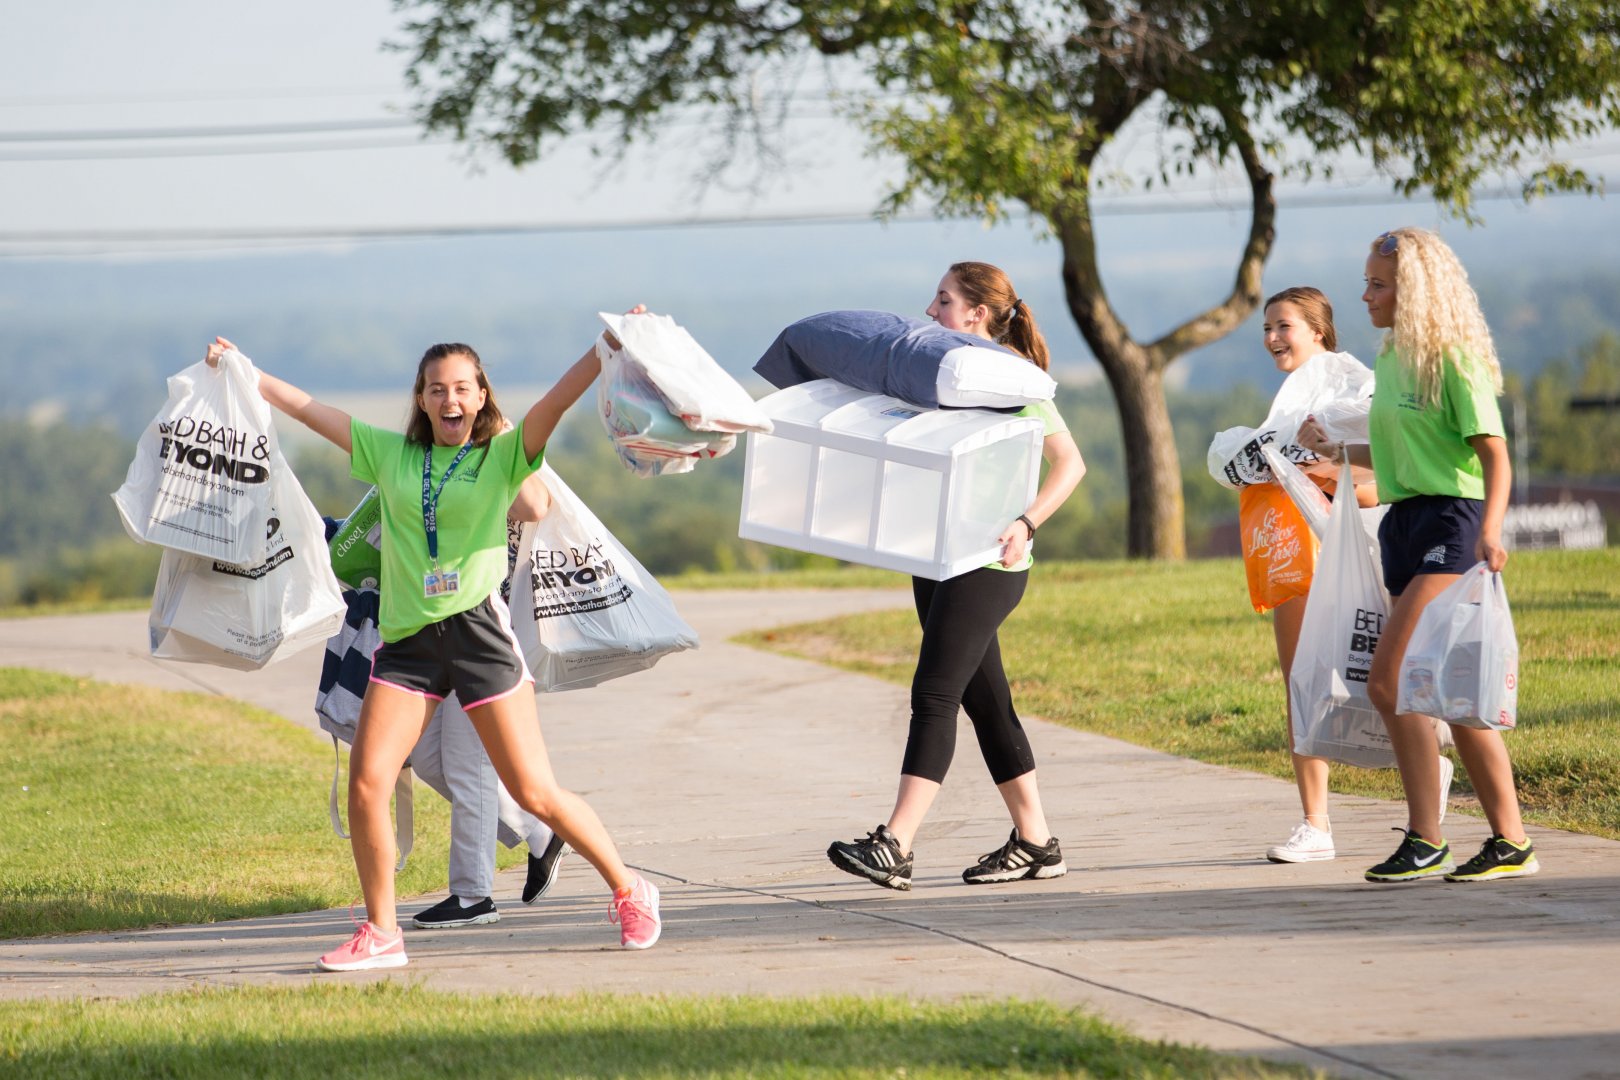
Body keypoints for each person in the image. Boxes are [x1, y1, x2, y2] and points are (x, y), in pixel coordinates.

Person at [206, 320, 663, 971]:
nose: (450, 400)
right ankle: (383, 932)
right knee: (368, 783)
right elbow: (314, 411)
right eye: (436, 390)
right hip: (409, 645)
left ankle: (629, 888)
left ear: (481, 398)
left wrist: (606, 349)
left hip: (478, 639)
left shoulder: (503, 455)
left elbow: (555, 403)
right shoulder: (391, 456)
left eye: (462, 389)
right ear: (421, 400)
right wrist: (244, 370)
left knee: (534, 793)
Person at [826, 261, 1086, 890]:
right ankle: (1037, 841)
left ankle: (896, 843)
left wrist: (1027, 522)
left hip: (987, 565)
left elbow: (1070, 465)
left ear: (977, 315)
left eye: (944, 300)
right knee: (988, 705)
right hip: (936, 558)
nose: (930, 309)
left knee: (934, 694)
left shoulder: (1011, 380)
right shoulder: (941, 378)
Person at [1298, 227, 1538, 884]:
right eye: (1370, 282)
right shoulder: (1394, 360)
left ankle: (1428, 838)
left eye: (1379, 285)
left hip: (1451, 525)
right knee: (1446, 694)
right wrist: (1334, 451)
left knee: (1392, 681)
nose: (1366, 295)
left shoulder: (1453, 361)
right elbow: (1402, 452)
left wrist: (1492, 530)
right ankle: (1508, 841)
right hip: (1403, 524)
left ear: (1413, 293)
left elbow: (1493, 453)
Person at [1241, 287, 1455, 865]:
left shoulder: (1355, 386)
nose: (1272, 339)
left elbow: (1389, 476)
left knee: (1386, 676)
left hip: (1360, 553)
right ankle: (1315, 823)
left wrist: (1329, 471)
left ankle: (1430, 774)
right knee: (1302, 682)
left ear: (1318, 330)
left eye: (1283, 326)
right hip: (1295, 552)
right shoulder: (1291, 401)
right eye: (1266, 328)